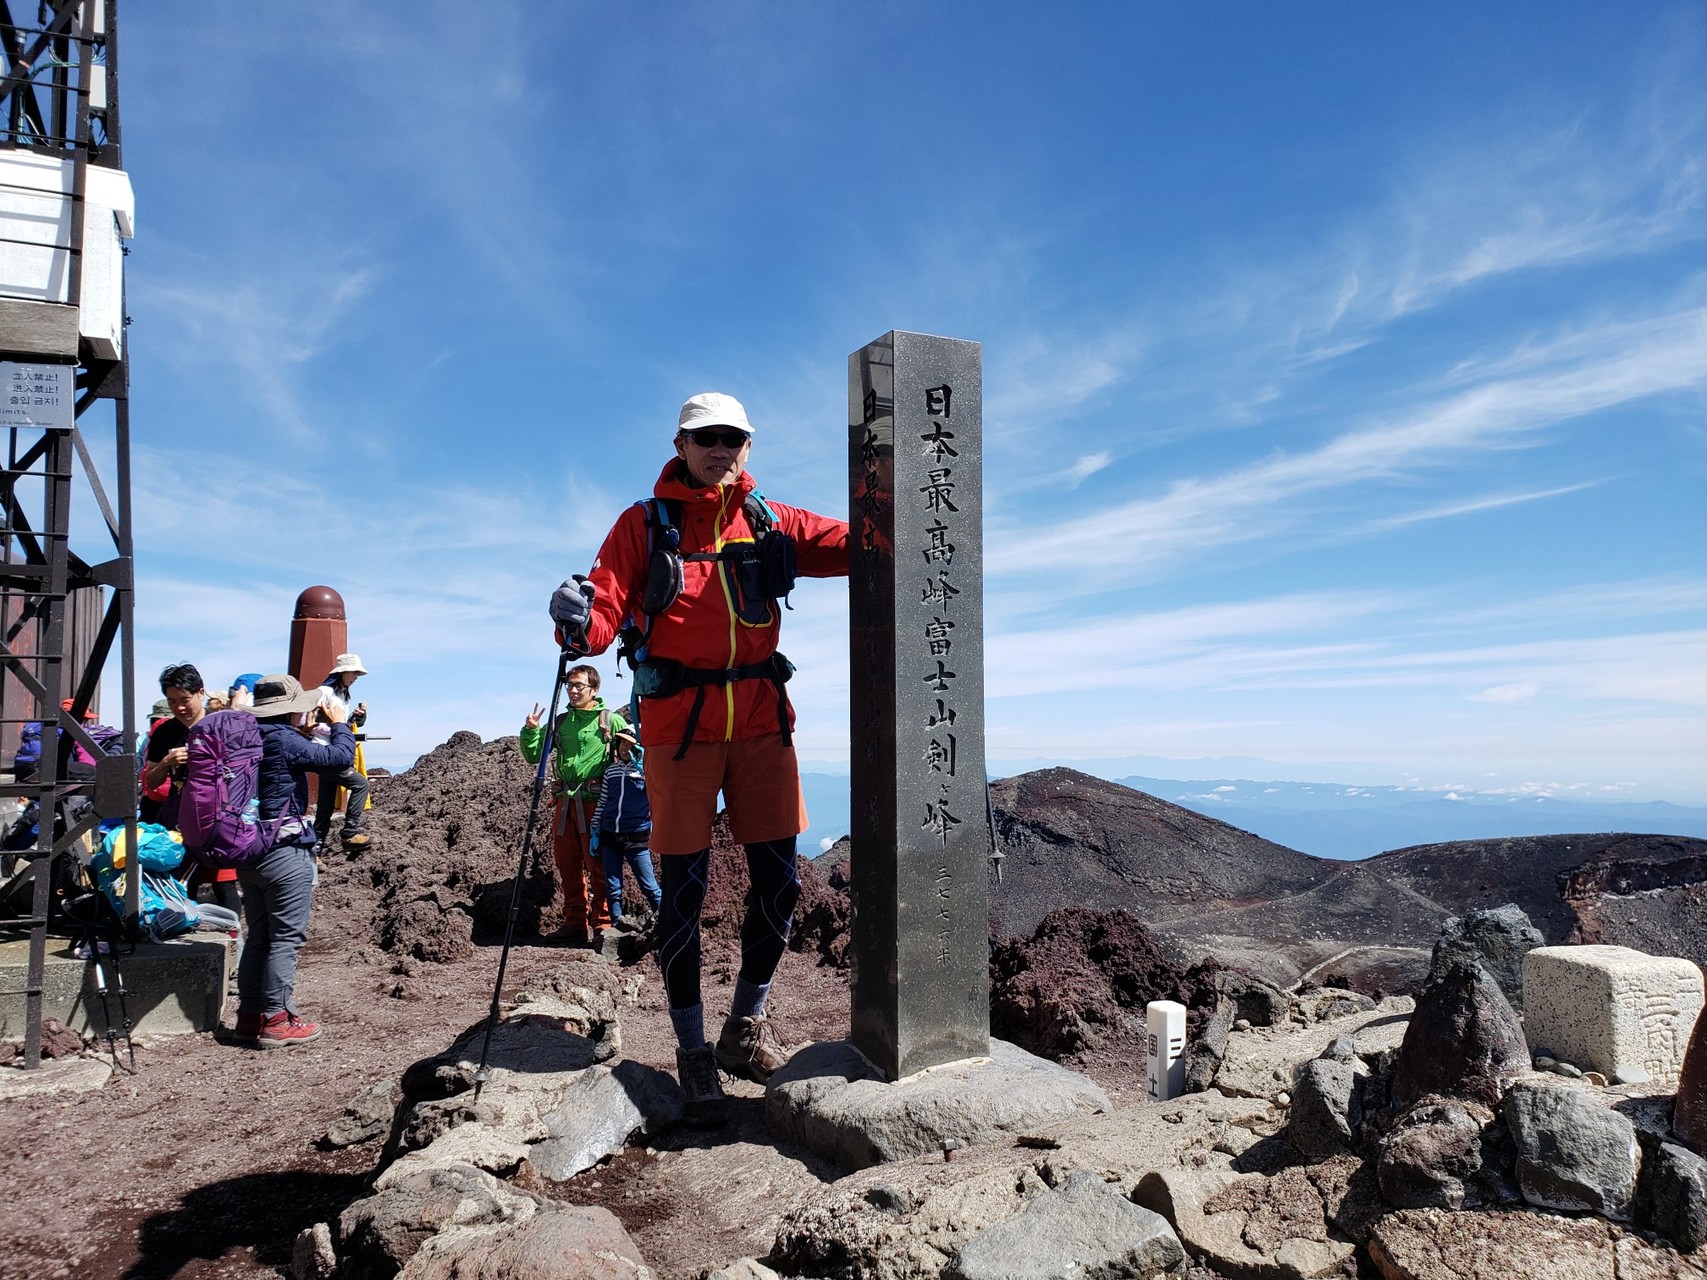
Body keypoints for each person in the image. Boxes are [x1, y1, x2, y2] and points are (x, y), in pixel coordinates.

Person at [551, 391, 848, 1126]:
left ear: (746, 448)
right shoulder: (642, 525)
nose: (722, 448)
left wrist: (928, 506)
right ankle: (690, 1051)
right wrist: (579, 621)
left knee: (779, 884)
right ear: (681, 445)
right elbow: (604, 611)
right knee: (681, 895)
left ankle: (743, 1031)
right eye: (706, 437)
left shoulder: (770, 520)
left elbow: (858, 542)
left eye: (734, 438)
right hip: (677, 729)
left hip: (759, 723)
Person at [233, 672, 355, 1047]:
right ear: (290, 709)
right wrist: (339, 724)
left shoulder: (245, 738)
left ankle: (250, 1015)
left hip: (247, 848)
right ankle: (278, 1018)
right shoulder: (283, 738)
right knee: (285, 938)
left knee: (260, 937)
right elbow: (339, 759)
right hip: (283, 850)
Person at [518, 666, 624, 949]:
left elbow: (632, 753)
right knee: (568, 865)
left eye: (579, 685)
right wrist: (531, 731)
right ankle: (574, 925)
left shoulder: (609, 720)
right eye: (569, 685)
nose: (573, 690)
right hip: (565, 804)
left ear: (594, 690)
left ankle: (603, 924)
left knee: (597, 865)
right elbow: (533, 756)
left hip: (596, 804)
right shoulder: (561, 721)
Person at [590, 725, 662, 932]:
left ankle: (669, 921)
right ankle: (615, 926)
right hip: (610, 833)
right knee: (613, 886)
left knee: (649, 885)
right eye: (622, 743)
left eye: (630, 744)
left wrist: (644, 771)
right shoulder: (611, 770)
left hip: (637, 835)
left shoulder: (647, 770)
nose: (624, 748)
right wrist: (595, 828)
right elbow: (603, 801)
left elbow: (657, 799)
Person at [314, 653, 371, 850]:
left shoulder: (342, 694)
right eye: (354, 672)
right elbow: (310, 722)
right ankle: (350, 833)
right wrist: (335, 724)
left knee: (325, 805)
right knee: (361, 784)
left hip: (332, 750)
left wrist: (353, 719)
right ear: (342, 672)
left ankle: (316, 849)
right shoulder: (324, 692)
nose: (356, 677)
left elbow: (339, 725)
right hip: (325, 751)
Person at [141, 663, 207, 824]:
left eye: (185, 700)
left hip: (216, 813)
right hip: (179, 814)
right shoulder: (163, 732)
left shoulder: (222, 725)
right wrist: (166, 763)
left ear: (201, 693)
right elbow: (151, 782)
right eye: (172, 701)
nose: (179, 707)